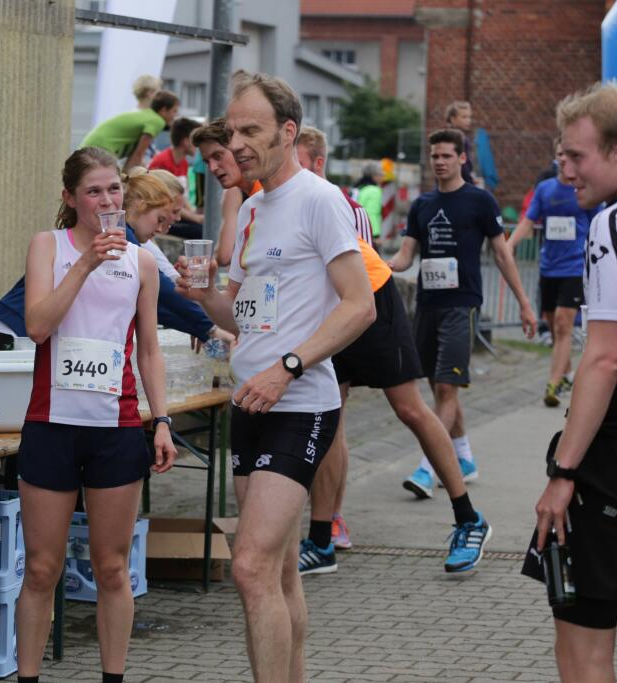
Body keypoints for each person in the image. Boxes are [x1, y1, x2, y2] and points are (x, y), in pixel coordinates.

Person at [176, 70, 375, 683]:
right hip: (250, 403)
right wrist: (203, 296)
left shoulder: (319, 199)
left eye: (251, 131)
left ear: (288, 132)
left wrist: (288, 367)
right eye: (232, 131)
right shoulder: (253, 207)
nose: (236, 144)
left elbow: (359, 305)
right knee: (280, 572)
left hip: (299, 403)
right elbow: (242, 316)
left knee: (249, 567)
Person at [295, 126, 494, 575]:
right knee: (329, 416)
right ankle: (322, 538)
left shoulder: (329, 199)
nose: (222, 164)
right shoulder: (259, 200)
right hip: (328, 311)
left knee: (409, 409)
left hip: (371, 298)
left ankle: (469, 518)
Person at [14, 147, 178, 683]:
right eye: (93, 191)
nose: (106, 201)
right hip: (52, 425)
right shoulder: (49, 246)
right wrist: (86, 263)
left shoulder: (142, 262)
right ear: (70, 198)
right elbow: (37, 326)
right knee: (42, 568)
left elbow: (149, 349)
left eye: (113, 190)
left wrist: (162, 420)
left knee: (112, 568)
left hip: (116, 427)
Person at [522, 81, 617, 683]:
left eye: (578, 156)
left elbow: (605, 360)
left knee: (583, 649)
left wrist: (563, 474)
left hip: (607, 465)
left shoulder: (609, 225)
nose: (567, 171)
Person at [388, 129, 536, 498]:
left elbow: (501, 254)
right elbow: (405, 256)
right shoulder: (422, 205)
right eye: (435, 156)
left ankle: (429, 468)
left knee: (446, 386)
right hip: (428, 305)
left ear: (462, 158)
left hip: (463, 303)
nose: (439, 162)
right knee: (441, 388)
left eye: (446, 156)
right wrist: (375, 263)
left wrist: (524, 302)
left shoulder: (480, 201)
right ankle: (465, 458)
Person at [0, 171, 225, 352]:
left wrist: (198, 327)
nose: (160, 230)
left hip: (21, 333)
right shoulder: (119, 240)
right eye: (160, 219)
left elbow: (150, 302)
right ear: (139, 206)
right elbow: (165, 294)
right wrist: (208, 328)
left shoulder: (125, 244)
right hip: (12, 331)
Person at [507, 139, 598, 407]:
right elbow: (528, 221)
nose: (564, 159)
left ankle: (553, 384)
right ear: (556, 156)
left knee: (562, 323)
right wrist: (509, 244)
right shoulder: (545, 189)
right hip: (549, 267)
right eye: (560, 154)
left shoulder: (585, 189)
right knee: (554, 323)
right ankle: (566, 373)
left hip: (575, 266)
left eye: (569, 154)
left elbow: (598, 224)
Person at [190, 118, 262, 267]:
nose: (212, 168)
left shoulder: (266, 192)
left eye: (218, 156)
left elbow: (224, 256)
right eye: (207, 162)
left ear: (239, 150)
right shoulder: (238, 191)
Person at [80, 91, 180, 172]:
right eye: (174, 111)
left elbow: (134, 155)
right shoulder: (158, 121)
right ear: (163, 110)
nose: (176, 115)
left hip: (93, 143)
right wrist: (127, 180)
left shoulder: (147, 114)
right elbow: (138, 154)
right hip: (101, 146)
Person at [150, 117, 205, 237]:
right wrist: (196, 218)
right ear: (185, 141)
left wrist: (194, 214)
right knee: (201, 231)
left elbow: (182, 197)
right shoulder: (162, 161)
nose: (198, 145)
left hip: (176, 214)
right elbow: (165, 203)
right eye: (195, 140)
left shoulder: (183, 162)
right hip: (164, 218)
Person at [445, 101, 479, 185]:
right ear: (453, 119)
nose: (468, 120)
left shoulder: (455, 136)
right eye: (464, 117)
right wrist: (470, 181)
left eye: (469, 117)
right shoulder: (456, 139)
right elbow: (462, 165)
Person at [354, 163, 384, 247]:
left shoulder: (357, 188)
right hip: (366, 234)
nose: (383, 175)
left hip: (353, 230)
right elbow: (371, 213)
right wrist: (375, 235)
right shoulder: (374, 190)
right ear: (373, 176)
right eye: (380, 173)